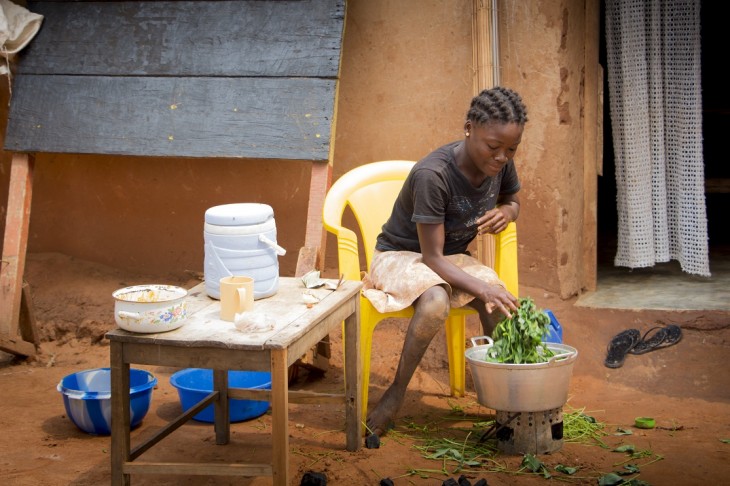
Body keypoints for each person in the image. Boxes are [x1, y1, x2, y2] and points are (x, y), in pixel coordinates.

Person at [361, 86, 528, 437]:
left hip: (450, 258)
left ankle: (504, 398)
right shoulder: (433, 175)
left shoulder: (499, 165)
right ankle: (396, 391)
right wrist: (479, 286)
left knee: (500, 301)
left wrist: (507, 212)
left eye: (511, 149)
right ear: (469, 128)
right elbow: (431, 257)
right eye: (493, 147)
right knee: (436, 301)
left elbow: (512, 198)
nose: (501, 157)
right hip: (399, 255)